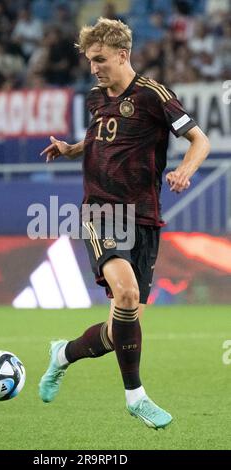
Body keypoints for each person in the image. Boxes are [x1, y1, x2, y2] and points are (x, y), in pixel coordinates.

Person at [39, 17, 210, 429]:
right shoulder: (97, 99)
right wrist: (71, 149)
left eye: (100, 60)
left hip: (145, 219)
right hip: (101, 212)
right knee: (127, 293)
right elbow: (100, 139)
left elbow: (199, 140)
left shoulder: (153, 96)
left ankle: (62, 354)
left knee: (121, 329)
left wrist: (185, 170)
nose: (94, 69)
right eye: (89, 61)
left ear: (122, 54)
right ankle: (137, 398)